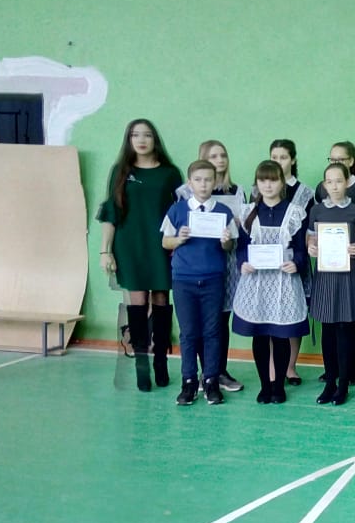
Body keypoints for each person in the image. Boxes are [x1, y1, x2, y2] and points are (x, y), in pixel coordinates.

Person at [97, 119, 182, 392]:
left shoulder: (170, 173)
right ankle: (141, 366)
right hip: (130, 246)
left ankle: (161, 362)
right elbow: (111, 213)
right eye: (135, 135)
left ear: (155, 139)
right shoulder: (120, 171)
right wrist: (105, 251)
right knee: (137, 302)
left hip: (161, 245)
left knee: (161, 300)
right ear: (129, 140)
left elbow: (181, 212)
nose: (141, 140)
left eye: (147, 135)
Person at [232, 160, 310, 404]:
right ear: (257, 183)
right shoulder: (248, 212)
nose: (267, 185)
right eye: (262, 180)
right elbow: (241, 247)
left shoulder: (295, 212)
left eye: (273, 180)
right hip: (255, 283)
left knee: (280, 335)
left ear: (281, 182)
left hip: (283, 282)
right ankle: (265, 385)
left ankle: (279, 386)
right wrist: (242, 262)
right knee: (260, 335)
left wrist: (296, 263)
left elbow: (301, 249)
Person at [160, 160, 237, 406]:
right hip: (184, 279)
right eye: (198, 180)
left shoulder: (223, 212)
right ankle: (189, 382)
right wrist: (178, 239)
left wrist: (226, 240)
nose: (203, 184)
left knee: (213, 332)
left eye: (208, 180)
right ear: (189, 182)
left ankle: (211, 381)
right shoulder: (177, 210)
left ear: (215, 182)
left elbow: (230, 246)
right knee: (188, 333)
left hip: (213, 279)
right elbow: (165, 242)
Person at [176, 139, 248, 394]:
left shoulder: (237, 191)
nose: (220, 160)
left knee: (219, 320)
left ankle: (218, 371)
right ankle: (200, 373)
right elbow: (174, 230)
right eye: (213, 156)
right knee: (195, 323)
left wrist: (238, 224)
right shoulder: (184, 193)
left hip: (226, 263)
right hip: (196, 265)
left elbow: (244, 227)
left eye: (223, 155)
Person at [307, 162, 355, 405]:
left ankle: (343, 384)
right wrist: (311, 248)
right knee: (328, 331)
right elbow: (311, 239)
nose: (334, 186)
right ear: (324, 184)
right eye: (329, 182)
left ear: (347, 183)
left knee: (346, 330)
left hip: (349, 276)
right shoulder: (317, 211)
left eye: (339, 181)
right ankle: (329, 382)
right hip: (325, 276)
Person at [269, 139, 316, 386]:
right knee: (270, 315)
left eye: (283, 157)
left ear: (293, 160)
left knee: (294, 314)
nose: (278, 162)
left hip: (295, 262)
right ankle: (272, 368)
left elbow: (309, 230)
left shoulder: (305, 193)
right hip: (269, 265)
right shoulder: (260, 189)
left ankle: (290, 367)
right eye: (274, 157)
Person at [314, 141, 355, 207]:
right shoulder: (321, 187)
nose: (336, 163)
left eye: (341, 159)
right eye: (332, 159)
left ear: (351, 161)